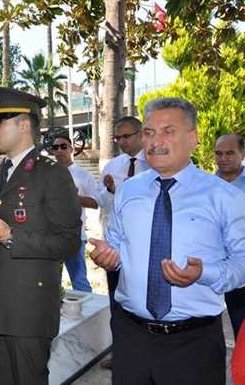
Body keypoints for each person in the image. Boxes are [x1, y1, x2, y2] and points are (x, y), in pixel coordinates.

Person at [89, 97, 245, 385]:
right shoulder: (128, 191)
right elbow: (115, 246)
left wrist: (203, 273)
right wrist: (108, 257)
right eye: (148, 132)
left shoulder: (226, 197)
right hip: (131, 337)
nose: (155, 141)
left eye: (168, 131)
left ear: (194, 139)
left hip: (194, 344)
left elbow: (242, 263)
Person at [0, 87, 81, 385]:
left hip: (28, 311)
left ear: (24, 125)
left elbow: (68, 241)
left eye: (0, 121)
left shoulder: (52, 174)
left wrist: (11, 236)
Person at [94, 116, 150, 369]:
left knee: (144, 304)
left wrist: (122, 191)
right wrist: (107, 192)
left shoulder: (155, 163)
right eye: (117, 138)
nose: (121, 142)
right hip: (116, 246)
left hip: (148, 247)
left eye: (126, 136)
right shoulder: (112, 166)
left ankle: (146, 356)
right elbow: (102, 204)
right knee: (117, 304)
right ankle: (122, 354)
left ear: (141, 134)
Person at [49, 134, 98, 292]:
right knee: (50, 282)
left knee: (79, 282)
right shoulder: (45, 175)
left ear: (71, 148)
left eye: (63, 146)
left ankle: (90, 315)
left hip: (74, 237)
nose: (59, 150)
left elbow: (96, 202)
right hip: (49, 237)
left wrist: (74, 199)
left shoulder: (83, 176)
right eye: (55, 147)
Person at [215, 134, 245, 337]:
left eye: (229, 153)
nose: (223, 158)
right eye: (218, 153)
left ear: (242, 154)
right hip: (213, 268)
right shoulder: (205, 186)